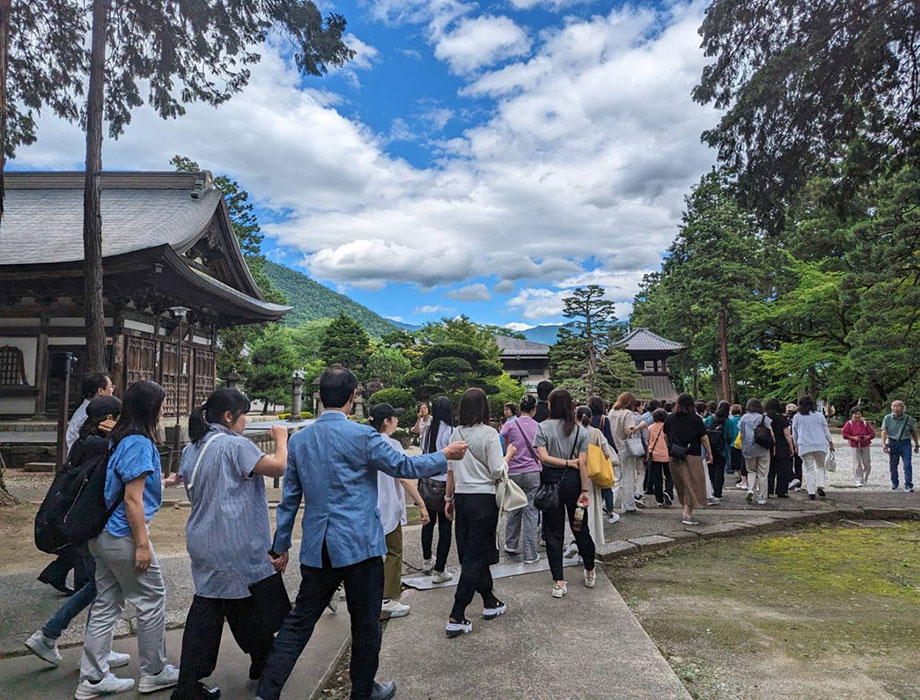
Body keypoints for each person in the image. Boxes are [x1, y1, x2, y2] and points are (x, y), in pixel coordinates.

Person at [255, 368, 467, 700]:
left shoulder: (299, 441)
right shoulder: (362, 437)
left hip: (318, 546)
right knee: (365, 623)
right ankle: (363, 690)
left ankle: (266, 692)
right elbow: (404, 467)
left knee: (298, 623)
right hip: (360, 545)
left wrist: (280, 545)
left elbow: (289, 500)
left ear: (321, 396)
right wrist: (446, 456)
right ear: (353, 396)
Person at [165, 388, 288, 700]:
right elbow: (278, 467)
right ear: (229, 416)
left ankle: (258, 661)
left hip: (203, 539)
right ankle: (192, 684)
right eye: (244, 414)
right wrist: (281, 440)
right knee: (235, 605)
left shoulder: (193, 446)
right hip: (236, 541)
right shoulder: (236, 446)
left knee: (229, 603)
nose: (247, 420)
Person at [75, 380, 177, 700]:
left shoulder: (120, 438)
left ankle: (92, 678)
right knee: (151, 599)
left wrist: (163, 480)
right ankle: (155, 671)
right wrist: (143, 544)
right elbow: (133, 500)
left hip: (103, 534)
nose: (164, 409)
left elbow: (128, 484)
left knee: (106, 602)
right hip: (124, 536)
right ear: (150, 407)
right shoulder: (139, 442)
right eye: (161, 403)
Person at [25, 397, 128, 670]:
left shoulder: (85, 442)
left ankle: (69, 640)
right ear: (108, 418)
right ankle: (70, 642)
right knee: (100, 587)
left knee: (97, 586)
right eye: (118, 417)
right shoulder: (100, 445)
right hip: (90, 525)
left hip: (78, 524)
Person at [41, 373, 116, 597]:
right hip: (84, 481)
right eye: (110, 386)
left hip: (79, 478)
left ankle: (58, 572)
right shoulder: (92, 420)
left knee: (83, 535)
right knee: (85, 534)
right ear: (101, 391)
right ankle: (84, 585)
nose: (113, 389)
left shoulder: (88, 414)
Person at [443, 388, 508, 638]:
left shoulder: (455, 433)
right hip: (484, 499)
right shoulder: (490, 434)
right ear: (484, 407)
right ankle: (457, 614)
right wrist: (508, 457)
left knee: (472, 553)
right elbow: (495, 470)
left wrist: (448, 499)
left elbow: (450, 469)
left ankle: (490, 601)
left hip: (461, 497)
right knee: (473, 558)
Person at [370, 403, 429, 621]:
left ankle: (338, 587)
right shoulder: (392, 444)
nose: (397, 421)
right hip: (388, 507)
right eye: (394, 417)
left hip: (369, 507)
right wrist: (421, 504)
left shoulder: (365, 442)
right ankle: (387, 599)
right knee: (393, 552)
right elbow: (404, 476)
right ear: (386, 421)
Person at [535, 389, 594, 598]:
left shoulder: (542, 427)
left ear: (551, 405)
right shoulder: (580, 431)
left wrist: (563, 462)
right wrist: (585, 490)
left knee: (553, 532)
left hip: (551, 483)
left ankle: (559, 582)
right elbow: (583, 462)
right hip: (574, 483)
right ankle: (589, 569)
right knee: (580, 528)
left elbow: (543, 457)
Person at [500, 395, 542, 564]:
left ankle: (511, 544)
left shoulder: (509, 425)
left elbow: (504, 445)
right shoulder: (539, 426)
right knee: (531, 512)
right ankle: (530, 554)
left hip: (514, 471)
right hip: (533, 471)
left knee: (514, 508)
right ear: (534, 410)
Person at [419, 396, 455, 584]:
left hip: (426, 481)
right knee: (445, 526)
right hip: (443, 484)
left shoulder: (427, 430)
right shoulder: (450, 431)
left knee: (428, 523)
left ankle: (426, 560)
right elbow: (452, 463)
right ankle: (439, 570)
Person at [664, 394, 712, 526]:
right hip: (692, 455)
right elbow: (703, 438)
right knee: (693, 483)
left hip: (674, 455)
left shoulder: (670, 418)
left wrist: (670, 447)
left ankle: (685, 509)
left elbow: (665, 435)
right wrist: (709, 453)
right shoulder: (696, 419)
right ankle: (687, 513)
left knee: (681, 483)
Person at [575, 406, 609, 545]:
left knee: (578, 508)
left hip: (577, 473)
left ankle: (577, 541)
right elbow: (606, 453)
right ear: (590, 418)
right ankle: (595, 539)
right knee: (594, 507)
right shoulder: (596, 433)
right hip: (593, 474)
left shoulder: (573, 432)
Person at [791, 396, 835, 501]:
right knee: (820, 466)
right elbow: (826, 430)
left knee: (809, 468)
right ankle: (820, 485)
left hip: (805, 445)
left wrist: (795, 445)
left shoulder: (797, 417)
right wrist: (830, 442)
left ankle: (811, 491)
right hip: (820, 444)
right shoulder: (819, 416)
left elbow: (794, 432)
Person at [608, 392, 642, 513]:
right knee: (628, 477)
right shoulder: (627, 413)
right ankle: (629, 505)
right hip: (625, 448)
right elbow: (628, 431)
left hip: (613, 448)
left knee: (615, 478)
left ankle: (608, 503)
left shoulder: (611, 412)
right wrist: (640, 426)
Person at [66, 373, 115, 455]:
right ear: (100, 391)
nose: (112, 391)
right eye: (110, 387)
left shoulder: (87, 410)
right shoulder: (87, 414)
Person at [589, 396, 620, 523]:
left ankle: (592, 510)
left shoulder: (586, 420)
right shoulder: (604, 420)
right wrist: (614, 451)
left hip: (589, 455)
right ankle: (610, 511)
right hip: (602, 455)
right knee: (606, 482)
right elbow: (609, 438)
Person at [738, 399, 772, 505]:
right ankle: (762, 497)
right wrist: (773, 445)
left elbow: (740, 432)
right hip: (762, 448)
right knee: (763, 473)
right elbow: (770, 432)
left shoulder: (743, 418)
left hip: (748, 449)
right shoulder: (764, 418)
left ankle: (750, 490)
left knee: (751, 471)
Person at [881, 400, 919, 492]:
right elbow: (884, 431)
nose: (895, 408)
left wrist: (917, 444)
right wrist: (883, 443)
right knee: (893, 464)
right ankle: (895, 482)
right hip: (892, 442)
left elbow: (913, 432)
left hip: (905, 443)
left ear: (903, 408)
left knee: (907, 464)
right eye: (893, 406)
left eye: (897, 406)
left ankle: (908, 484)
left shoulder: (908, 419)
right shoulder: (887, 418)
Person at [764, 399, 795, 498]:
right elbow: (787, 434)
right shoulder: (782, 418)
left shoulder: (765, 418)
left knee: (769, 470)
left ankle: (768, 490)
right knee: (782, 470)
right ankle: (781, 491)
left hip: (769, 446)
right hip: (782, 446)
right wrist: (791, 447)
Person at [706, 402, 735, 500]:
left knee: (711, 470)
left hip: (709, 448)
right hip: (722, 449)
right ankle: (718, 492)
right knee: (720, 470)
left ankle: (712, 488)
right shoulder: (728, 422)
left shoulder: (710, 419)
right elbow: (730, 437)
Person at [646, 409, 673, 507]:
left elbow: (647, 441)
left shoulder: (650, 428)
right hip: (667, 454)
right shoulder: (668, 427)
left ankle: (659, 499)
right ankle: (668, 491)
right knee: (670, 476)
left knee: (657, 478)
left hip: (654, 455)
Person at [842, 408, 875, 487]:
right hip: (854, 445)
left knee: (867, 463)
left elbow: (872, 434)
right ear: (852, 415)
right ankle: (858, 479)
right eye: (855, 414)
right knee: (857, 463)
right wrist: (854, 438)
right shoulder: (849, 424)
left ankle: (865, 478)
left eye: (859, 414)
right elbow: (844, 434)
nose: (857, 416)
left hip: (865, 444)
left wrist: (867, 437)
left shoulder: (865, 423)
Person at [786, 403, 803, 490]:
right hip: (797, 442)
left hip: (792, 442)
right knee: (797, 464)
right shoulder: (799, 419)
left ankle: (794, 480)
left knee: (790, 463)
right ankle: (796, 481)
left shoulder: (790, 420)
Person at [728, 404, 745, 489]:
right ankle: (743, 476)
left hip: (733, 443)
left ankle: (740, 475)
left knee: (736, 462)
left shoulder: (730, 420)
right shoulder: (743, 419)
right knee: (743, 460)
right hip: (744, 443)